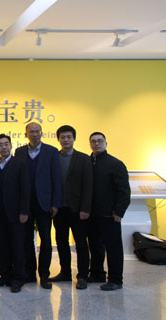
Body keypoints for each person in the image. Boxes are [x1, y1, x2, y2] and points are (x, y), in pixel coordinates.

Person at [14, 122, 62, 289]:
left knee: (46, 241)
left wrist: (55, 203)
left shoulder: (51, 151)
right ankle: (29, 273)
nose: (34, 134)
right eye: (31, 132)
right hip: (25, 205)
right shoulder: (19, 152)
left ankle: (44, 275)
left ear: (41, 133)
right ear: (26, 134)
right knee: (26, 240)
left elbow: (57, 179)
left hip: (45, 204)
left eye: (37, 131)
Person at [49, 125, 93, 290]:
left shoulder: (83, 159)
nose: (66, 140)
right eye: (63, 137)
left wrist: (85, 208)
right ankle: (65, 272)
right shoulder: (54, 157)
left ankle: (82, 275)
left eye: (69, 137)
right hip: (59, 208)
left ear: (74, 138)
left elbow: (88, 185)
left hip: (78, 209)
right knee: (61, 242)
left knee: (81, 243)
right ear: (58, 139)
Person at [88, 132, 130, 291]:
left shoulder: (115, 164)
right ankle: (97, 274)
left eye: (100, 141)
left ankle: (115, 279)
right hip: (91, 214)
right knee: (94, 246)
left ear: (106, 143)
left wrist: (119, 211)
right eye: (93, 141)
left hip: (110, 214)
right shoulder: (87, 162)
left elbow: (124, 191)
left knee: (113, 248)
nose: (96, 143)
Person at [0, 134, 30, 293]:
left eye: (6, 144)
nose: (4, 147)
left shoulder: (20, 164)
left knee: (17, 247)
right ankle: (4, 276)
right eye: (0, 144)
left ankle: (18, 278)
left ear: (11, 146)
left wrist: (24, 211)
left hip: (16, 213)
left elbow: (25, 189)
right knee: (2, 247)